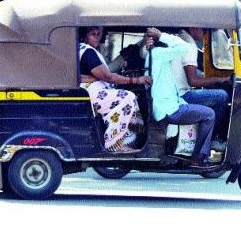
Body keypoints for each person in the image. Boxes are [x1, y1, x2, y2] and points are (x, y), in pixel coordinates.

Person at [145, 27, 216, 168]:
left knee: (200, 110)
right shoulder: (159, 54)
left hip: (167, 105)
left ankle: (187, 154)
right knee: (209, 114)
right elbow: (185, 47)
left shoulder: (155, 55)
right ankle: (198, 157)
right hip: (167, 109)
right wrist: (162, 35)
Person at [79, 26, 151, 152]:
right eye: (92, 34)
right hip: (92, 95)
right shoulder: (88, 52)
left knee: (128, 97)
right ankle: (114, 144)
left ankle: (131, 139)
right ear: (85, 35)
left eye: (98, 33)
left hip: (90, 93)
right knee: (128, 97)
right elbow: (107, 76)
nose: (96, 36)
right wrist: (135, 80)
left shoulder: (82, 49)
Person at [174, 28, 230, 151]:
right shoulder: (189, 45)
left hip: (174, 92)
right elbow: (193, 81)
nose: (205, 33)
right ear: (194, 28)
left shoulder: (179, 39)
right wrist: (219, 80)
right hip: (181, 96)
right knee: (222, 96)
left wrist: (209, 77)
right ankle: (213, 138)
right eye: (204, 30)